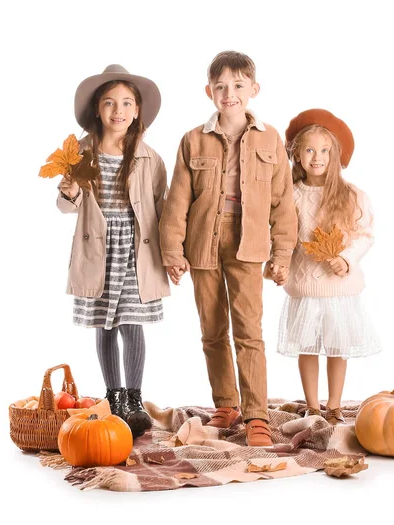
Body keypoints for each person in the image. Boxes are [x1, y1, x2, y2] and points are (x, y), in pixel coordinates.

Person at [159, 51, 297, 446]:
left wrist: (282, 255)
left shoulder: (271, 139)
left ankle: (256, 414)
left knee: (249, 330)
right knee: (212, 329)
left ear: (254, 89)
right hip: (202, 241)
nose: (229, 93)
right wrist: (173, 251)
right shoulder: (192, 139)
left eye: (238, 85)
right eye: (220, 86)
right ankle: (226, 403)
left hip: (249, 242)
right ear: (209, 92)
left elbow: (282, 203)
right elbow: (177, 201)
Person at [56, 64, 169, 437]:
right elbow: (66, 207)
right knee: (105, 324)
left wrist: (173, 253)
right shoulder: (81, 152)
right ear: (98, 110)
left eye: (125, 103)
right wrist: (70, 189)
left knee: (131, 322)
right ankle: (113, 395)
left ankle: (134, 398)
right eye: (109, 103)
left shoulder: (150, 157)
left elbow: (161, 208)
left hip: (137, 248)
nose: (118, 110)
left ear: (137, 110)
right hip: (98, 248)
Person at [277, 109, 381, 425]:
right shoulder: (289, 194)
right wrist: (278, 262)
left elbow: (365, 235)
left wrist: (346, 258)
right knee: (307, 347)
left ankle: (333, 404)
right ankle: (312, 404)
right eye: (309, 150)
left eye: (325, 151)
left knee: (337, 347)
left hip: (338, 289)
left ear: (336, 155)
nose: (317, 157)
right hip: (306, 287)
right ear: (296, 154)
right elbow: (280, 233)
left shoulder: (351, 195)